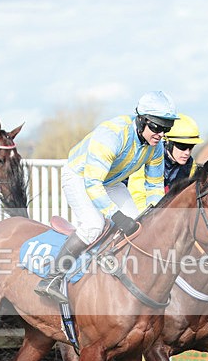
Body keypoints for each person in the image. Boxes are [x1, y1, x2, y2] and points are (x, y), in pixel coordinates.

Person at [35, 91, 179, 303]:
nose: (160, 134)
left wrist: (157, 216)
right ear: (141, 121)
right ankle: (51, 278)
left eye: (166, 128)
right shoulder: (111, 135)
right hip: (80, 177)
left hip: (110, 182)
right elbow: (92, 184)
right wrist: (116, 216)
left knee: (140, 224)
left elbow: (155, 186)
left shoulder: (155, 147)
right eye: (156, 127)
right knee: (94, 224)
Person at [127, 113, 204, 211]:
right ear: (168, 142)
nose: (187, 153)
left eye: (191, 147)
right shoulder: (147, 157)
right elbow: (137, 196)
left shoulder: (190, 166)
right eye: (182, 147)